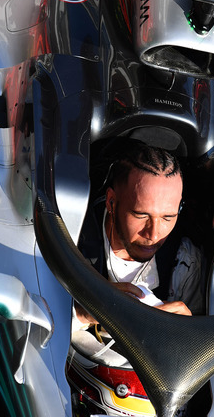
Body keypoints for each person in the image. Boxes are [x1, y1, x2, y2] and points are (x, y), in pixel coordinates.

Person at [73, 142, 204, 336]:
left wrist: (187, 332)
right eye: (141, 215)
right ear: (111, 202)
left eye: (168, 217)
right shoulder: (72, 238)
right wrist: (85, 313)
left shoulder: (185, 261)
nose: (153, 235)